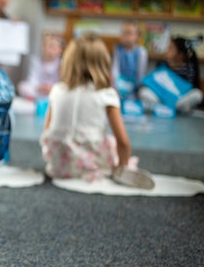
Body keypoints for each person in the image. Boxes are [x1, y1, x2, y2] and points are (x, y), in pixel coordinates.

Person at [40, 33, 154, 189]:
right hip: (88, 162)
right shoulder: (106, 94)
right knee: (111, 142)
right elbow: (123, 142)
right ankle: (118, 170)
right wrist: (123, 164)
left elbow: (46, 132)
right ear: (102, 62)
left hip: (58, 163)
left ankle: (72, 167)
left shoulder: (57, 90)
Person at [139, 35, 203, 113]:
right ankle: (162, 108)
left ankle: (174, 108)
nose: (167, 50)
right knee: (144, 92)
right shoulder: (162, 65)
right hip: (161, 99)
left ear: (180, 55)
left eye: (170, 48)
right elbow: (153, 83)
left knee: (197, 94)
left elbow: (190, 89)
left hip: (179, 101)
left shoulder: (189, 69)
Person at [18, 33, 63, 99]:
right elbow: (32, 80)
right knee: (22, 86)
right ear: (43, 48)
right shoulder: (36, 61)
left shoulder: (61, 63)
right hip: (39, 90)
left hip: (54, 92)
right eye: (49, 47)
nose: (51, 51)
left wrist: (52, 88)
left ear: (60, 50)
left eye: (54, 48)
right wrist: (39, 87)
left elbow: (62, 83)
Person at [111, 21, 148, 100]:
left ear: (138, 36)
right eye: (123, 33)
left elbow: (140, 74)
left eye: (129, 33)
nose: (125, 36)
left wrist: (134, 86)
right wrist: (116, 83)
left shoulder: (141, 52)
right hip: (119, 83)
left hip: (134, 86)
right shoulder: (117, 49)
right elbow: (115, 69)